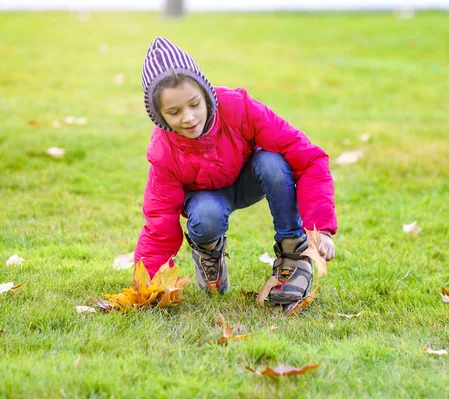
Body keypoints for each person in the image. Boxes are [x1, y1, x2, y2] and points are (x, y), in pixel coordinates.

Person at [135, 38, 337, 313]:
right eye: (174, 112)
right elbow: (159, 221)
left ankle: (294, 253)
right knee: (206, 215)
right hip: (205, 199)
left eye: (194, 104)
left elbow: (309, 157)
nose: (189, 118)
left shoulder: (238, 107)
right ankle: (208, 249)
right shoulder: (163, 150)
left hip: (247, 180)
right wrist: (148, 285)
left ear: (205, 94)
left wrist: (320, 229)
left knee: (272, 161)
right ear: (159, 116)